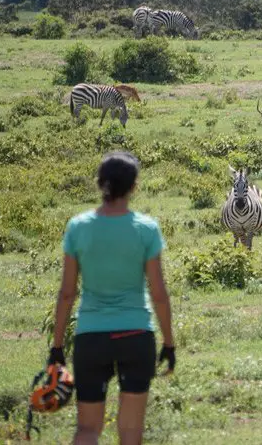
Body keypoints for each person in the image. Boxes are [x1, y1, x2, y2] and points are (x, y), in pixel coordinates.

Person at [48, 151, 175, 445]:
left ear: (99, 183)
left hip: (91, 338)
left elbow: (67, 293)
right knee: (130, 433)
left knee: (87, 430)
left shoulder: (78, 227)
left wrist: (57, 347)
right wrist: (169, 342)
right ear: (134, 186)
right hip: (136, 335)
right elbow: (159, 294)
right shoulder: (146, 229)